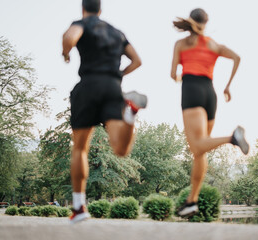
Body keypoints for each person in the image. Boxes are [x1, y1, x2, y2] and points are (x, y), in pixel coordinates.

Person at [62, 0, 147, 224]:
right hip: (113, 88)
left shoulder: (81, 23)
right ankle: (131, 114)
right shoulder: (116, 32)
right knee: (120, 149)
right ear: (101, 9)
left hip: (88, 86)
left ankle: (79, 207)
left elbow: (70, 37)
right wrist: (118, 74)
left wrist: (66, 52)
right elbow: (137, 61)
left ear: (83, 8)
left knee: (80, 148)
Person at [171, 8, 249, 217]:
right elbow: (237, 57)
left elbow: (172, 74)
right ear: (206, 22)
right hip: (210, 94)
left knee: (196, 145)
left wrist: (181, 78)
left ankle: (232, 138)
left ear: (190, 21)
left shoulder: (181, 44)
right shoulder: (213, 44)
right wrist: (228, 86)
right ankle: (192, 201)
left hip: (192, 92)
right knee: (200, 150)